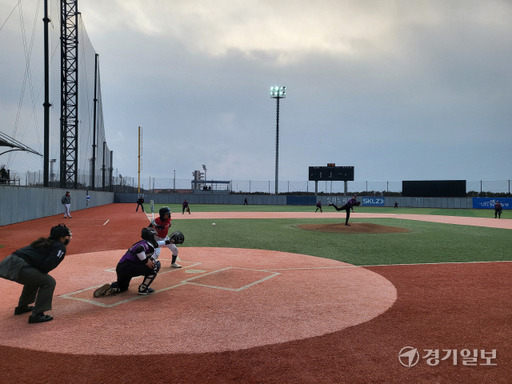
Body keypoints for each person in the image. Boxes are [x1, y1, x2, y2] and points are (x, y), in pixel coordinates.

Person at [0, 224, 71, 323]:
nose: (67, 238)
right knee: (48, 282)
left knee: (36, 278)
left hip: (8, 262)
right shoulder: (60, 247)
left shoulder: (45, 241)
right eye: (66, 236)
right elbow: (48, 265)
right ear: (61, 237)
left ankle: (22, 307)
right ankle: (37, 314)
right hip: (17, 265)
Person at [93, 227, 166, 297]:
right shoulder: (144, 245)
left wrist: (170, 241)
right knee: (155, 265)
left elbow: (157, 244)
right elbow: (139, 250)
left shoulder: (143, 243)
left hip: (122, 267)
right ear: (150, 237)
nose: (154, 237)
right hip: (129, 267)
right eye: (153, 236)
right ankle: (143, 289)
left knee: (123, 287)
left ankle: (112, 287)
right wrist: (146, 261)